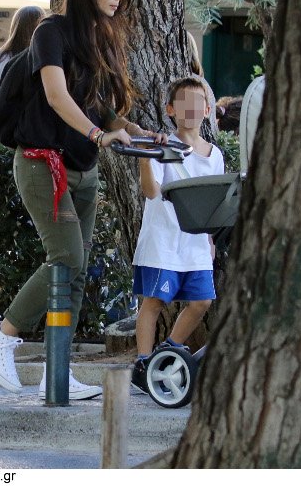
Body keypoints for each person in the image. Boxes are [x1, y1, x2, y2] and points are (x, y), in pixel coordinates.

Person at [0, 0, 163, 399]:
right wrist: (99, 134)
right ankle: (1, 335)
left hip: (83, 169)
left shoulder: (98, 39)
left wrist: (130, 128)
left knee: (74, 274)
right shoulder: (51, 31)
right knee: (66, 259)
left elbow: (94, 103)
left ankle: (56, 372)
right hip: (44, 164)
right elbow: (57, 96)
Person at [130, 76, 224, 393]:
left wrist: (210, 239)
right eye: (184, 104)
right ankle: (143, 363)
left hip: (196, 242)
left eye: (198, 103)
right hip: (164, 241)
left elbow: (213, 200)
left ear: (207, 110)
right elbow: (151, 191)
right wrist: (147, 158)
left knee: (202, 301)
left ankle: (167, 352)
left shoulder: (215, 155)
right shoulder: (162, 146)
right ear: (171, 109)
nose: (191, 110)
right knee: (155, 301)